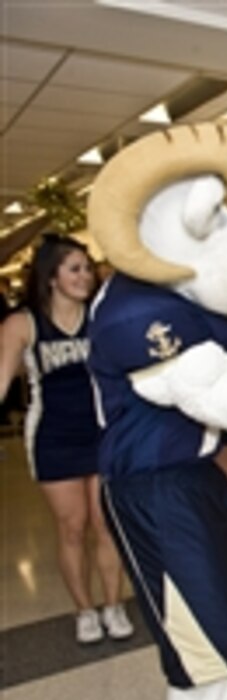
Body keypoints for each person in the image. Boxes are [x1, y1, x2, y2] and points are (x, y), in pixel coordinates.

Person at [0, 234, 134, 644]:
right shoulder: (23, 323)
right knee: (72, 527)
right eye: (74, 269)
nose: (86, 276)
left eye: (88, 268)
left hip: (103, 434)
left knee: (105, 525)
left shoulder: (102, 317)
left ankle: (113, 605)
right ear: (51, 276)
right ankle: (84, 610)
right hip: (53, 439)